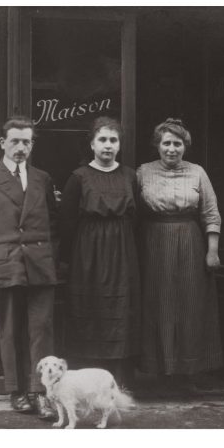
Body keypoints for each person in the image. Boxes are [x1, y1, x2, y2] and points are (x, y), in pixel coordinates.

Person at [0, 116, 58, 419]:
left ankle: (39, 392)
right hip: (6, 265)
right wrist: (1, 248)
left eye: (26, 141)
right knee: (10, 330)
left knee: (40, 330)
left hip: (40, 265)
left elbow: (53, 221)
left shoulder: (43, 179)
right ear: (2, 143)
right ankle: (17, 391)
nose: (21, 147)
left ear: (32, 145)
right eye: (15, 141)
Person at [136, 118, 223, 390]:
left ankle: (189, 372)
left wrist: (212, 251)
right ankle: (160, 372)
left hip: (189, 242)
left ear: (185, 146)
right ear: (157, 145)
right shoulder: (143, 172)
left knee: (190, 304)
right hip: (154, 244)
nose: (171, 149)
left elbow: (210, 213)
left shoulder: (198, 172)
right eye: (166, 143)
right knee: (158, 304)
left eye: (177, 143)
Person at [58, 116, 140, 384]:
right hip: (88, 254)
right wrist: (67, 261)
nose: (108, 145)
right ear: (92, 144)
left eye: (113, 140)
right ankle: (88, 382)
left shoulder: (129, 175)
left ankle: (119, 382)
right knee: (89, 310)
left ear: (120, 145)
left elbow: (137, 219)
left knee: (120, 311)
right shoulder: (79, 178)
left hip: (122, 252)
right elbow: (67, 222)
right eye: (102, 140)